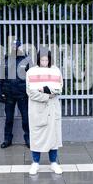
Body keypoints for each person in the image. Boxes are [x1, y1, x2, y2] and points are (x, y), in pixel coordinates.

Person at [26, 47, 63, 175]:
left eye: (46, 60)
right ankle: (35, 163)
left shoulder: (56, 70)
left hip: (52, 109)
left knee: (53, 137)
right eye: (42, 60)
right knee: (37, 137)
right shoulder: (31, 71)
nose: (44, 62)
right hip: (37, 109)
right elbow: (31, 92)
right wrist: (48, 95)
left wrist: (48, 90)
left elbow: (59, 88)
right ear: (38, 59)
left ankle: (54, 163)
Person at [0, 39, 32, 148]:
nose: (15, 49)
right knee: (9, 119)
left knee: (26, 119)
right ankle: (7, 140)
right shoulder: (6, 60)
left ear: (20, 48)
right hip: (9, 95)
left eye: (17, 46)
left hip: (22, 95)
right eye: (13, 47)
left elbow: (33, 77)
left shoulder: (27, 60)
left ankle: (28, 139)